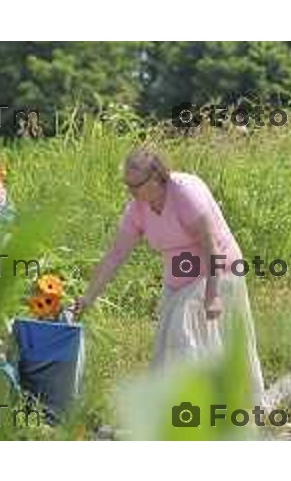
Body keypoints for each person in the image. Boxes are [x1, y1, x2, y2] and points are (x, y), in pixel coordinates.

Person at [74, 148, 265, 400]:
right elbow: (115, 254)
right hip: (178, 280)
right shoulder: (138, 208)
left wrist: (212, 294)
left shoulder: (185, 193)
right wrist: (88, 297)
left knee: (182, 333)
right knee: (169, 348)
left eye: (136, 185)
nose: (131, 192)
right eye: (127, 185)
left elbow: (212, 246)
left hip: (217, 272)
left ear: (155, 178)